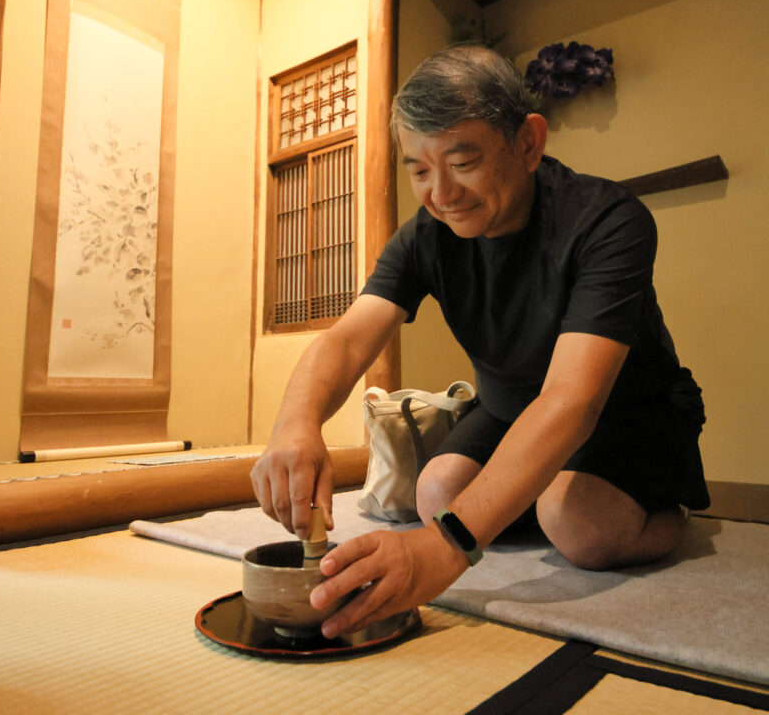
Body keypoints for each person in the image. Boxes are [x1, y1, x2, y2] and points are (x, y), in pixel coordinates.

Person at [250, 44, 709, 640]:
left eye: (461, 162)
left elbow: (573, 400)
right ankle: (545, 492)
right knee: (435, 490)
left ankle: (664, 512)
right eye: (418, 169)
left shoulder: (606, 220)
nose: (440, 193)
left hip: (623, 412)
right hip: (508, 407)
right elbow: (345, 339)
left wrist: (446, 548)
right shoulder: (426, 236)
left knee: (580, 527)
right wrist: (295, 422)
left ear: (527, 143)